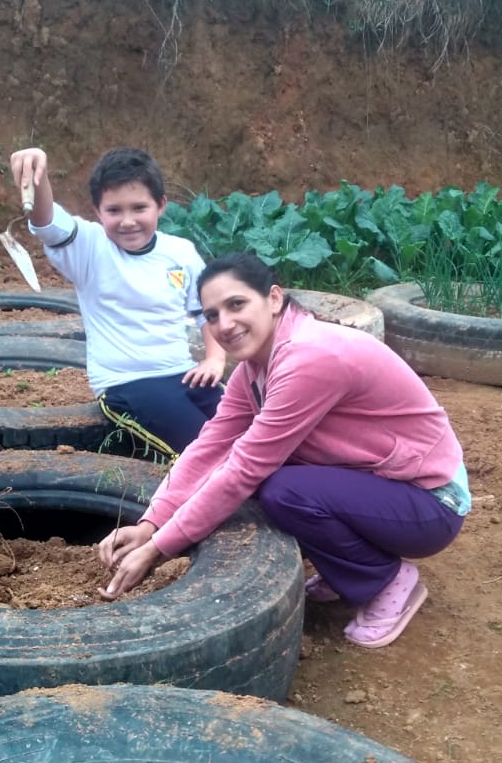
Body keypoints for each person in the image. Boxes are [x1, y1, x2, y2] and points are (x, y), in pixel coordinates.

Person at [97, 251, 471, 648]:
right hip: (383, 483)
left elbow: (244, 469)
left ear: (274, 298)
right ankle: (346, 567)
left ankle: (388, 580)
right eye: (212, 315)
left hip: (432, 502)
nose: (224, 324)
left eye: (237, 304)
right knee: (272, 483)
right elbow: (210, 445)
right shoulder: (253, 370)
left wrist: (158, 549)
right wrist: (150, 523)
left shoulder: (310, 357)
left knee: (281, 490)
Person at [9, 146, 226, 458]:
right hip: (129, 385)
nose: (128, 221)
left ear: (161, 206)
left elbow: (208, 311)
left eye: (139, 208)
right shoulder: (89, 247)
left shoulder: (180, 252)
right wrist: (37, 177)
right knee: (208, 454)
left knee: (254, 433)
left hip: (186, 374)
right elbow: (47, 222)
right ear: (97, 212)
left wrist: (215, 358)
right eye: (114, 210)